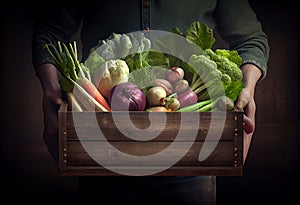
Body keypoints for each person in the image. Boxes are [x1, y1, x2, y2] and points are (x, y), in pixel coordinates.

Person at [31, 0, 269, 204]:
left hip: (192, 154)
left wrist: (248, 89)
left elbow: (251, 40)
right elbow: (50, 31)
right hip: (101, 148)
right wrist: (51, 88)